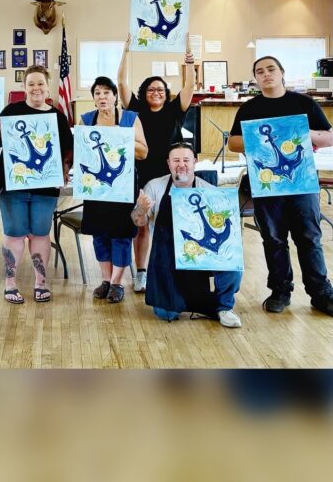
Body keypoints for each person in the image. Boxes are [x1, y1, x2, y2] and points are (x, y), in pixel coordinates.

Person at [228, 55, 333, 316]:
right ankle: (280, 290)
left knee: (309, 238)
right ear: (256, 78)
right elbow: (233, 143)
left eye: (271, 69)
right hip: (267, 186)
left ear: (282, 72)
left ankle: (321, 293)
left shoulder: (305, 104)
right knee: (273, 238)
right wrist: (257, 139)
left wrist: (306, 135)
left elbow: (329, 136)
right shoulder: (249, 108)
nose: (266, 74)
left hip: (303, 183)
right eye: (260, 71)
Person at [131, 142, 242, 327]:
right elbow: (138, 222)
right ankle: (183, 301)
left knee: (233, 260)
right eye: (176, 160)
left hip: (202, 254)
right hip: (166, 258)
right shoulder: (155, 186)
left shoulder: (210, 191)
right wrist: (141, 211)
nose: (181, 164)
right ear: (168, 163)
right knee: (165, 313)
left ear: (194, 163)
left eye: (186, 160)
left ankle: (224, 307)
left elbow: (227, 232)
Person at [117, 33, 195, 293]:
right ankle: (141, 273)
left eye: (161, 89)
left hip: (169, 176)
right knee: (141, 226)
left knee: (171, 223)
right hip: (140, 174)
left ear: (166, 93)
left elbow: (190, 88)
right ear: (144, 93)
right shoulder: (135, 108)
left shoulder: (175, 110)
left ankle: (173, 270)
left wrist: (189, 60)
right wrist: (126, 51)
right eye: (151, 89)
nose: (156, 92)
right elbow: (121, 82)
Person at [0, 65, 73, 305]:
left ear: (47, 86)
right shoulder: (10, 111)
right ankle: (10, 283)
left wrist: (65, 168)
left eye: (40, 83)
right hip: (11, 184)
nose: (36, 88)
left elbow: (67, 151)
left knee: (40, 233)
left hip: (45, 186)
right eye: (31, 84)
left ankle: (40, 282)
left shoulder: (58, 116)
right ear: (24, 87)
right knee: (14, 234)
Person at [77, 76, 148, 303]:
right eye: (97, 93)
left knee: (121, 235)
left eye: (106, 92)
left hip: (123, 187)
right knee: (100, 235)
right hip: (95, 188)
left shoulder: (129, 118)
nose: (102, 97)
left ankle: (117, 283)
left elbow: (143, 152)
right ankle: (106, 279)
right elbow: (79, 152)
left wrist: (121, 136)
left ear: (115, 96)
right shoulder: (86, 120)